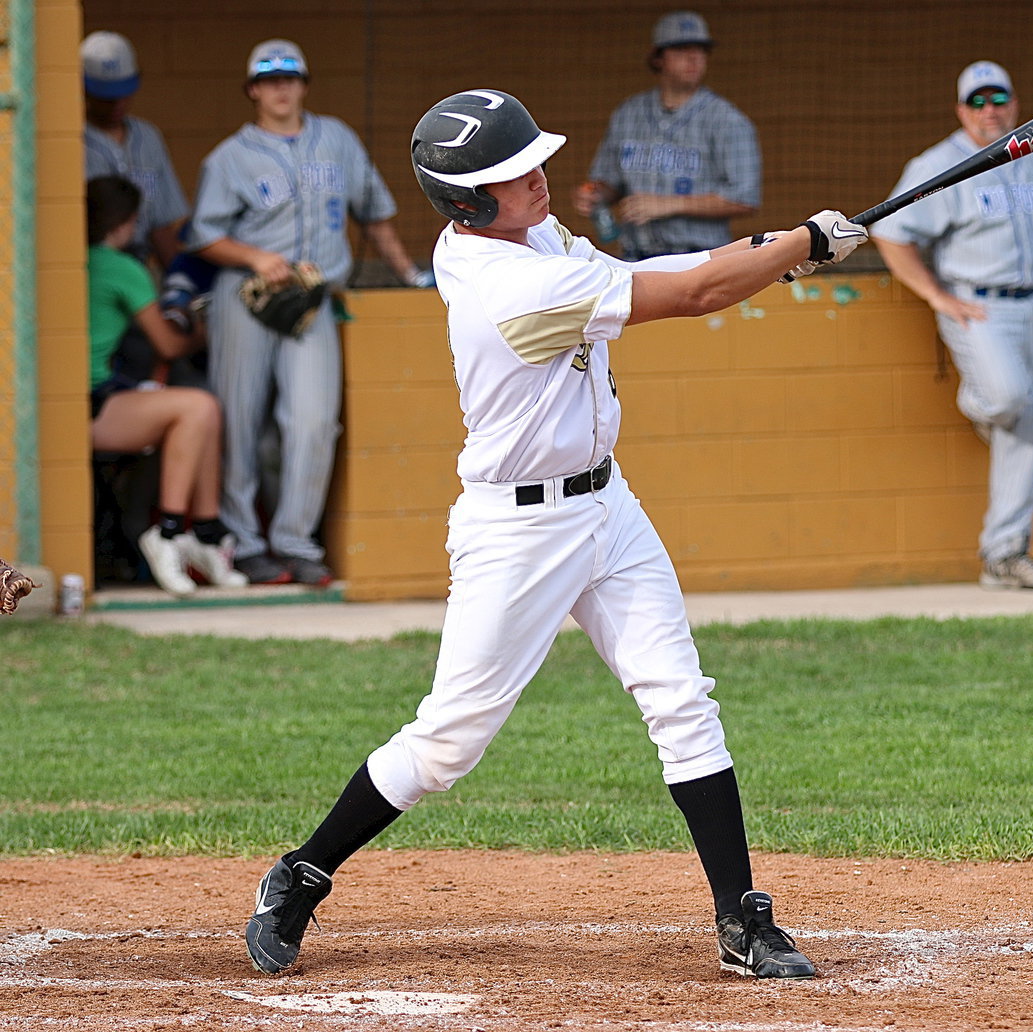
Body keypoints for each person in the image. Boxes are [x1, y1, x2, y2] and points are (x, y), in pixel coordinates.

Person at [242, 88, 867, 981]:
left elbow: (654, 267)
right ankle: (301, 876)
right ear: (466, 203)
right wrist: (797, 245)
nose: (538, 177)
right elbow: (690, 294)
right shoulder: (509, 286)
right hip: (517, 531)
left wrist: (772, 252)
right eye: (513, 172)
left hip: (608, 506)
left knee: (681, 699)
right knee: (449, 740)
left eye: (533, 159)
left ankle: (741, 918)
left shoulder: (534, 238)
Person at [872, 61, 1033, 590]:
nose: (989, 110)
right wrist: (935, 296)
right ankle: (981, 406)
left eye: (998, 99)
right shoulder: (939, 164)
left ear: (1014, 104)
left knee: (1029, 430)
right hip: (977, 305)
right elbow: (890, 231)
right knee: (1008, 398)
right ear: (961, 111)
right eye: (978, 101)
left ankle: (1005, 554)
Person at [188, 39, 430, 587]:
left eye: (290, 78)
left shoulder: (337, 139)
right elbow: (203, 235)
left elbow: (375, 212)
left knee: (315, 420)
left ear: (303, 85)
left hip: (313, 298)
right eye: (269, 80)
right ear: (252, 90)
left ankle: (295, 542)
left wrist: (410, 275)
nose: (280, 88)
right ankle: (243, 543)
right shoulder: (229, 157)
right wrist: (253, 256)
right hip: (246, 297)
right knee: (240, 420)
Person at [87, 175, 248, 597]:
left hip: (95, 396)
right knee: (196, 407)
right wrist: (206, 330)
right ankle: (169, 532)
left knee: (205, 409)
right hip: (87, 407)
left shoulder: (76, 259)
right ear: (125, 222)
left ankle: (207, 534)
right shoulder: (122, 266)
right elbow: (168, 344)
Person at [572, 10, 760, 260]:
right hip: (636, 257)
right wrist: (594, 194)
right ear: (658, 58)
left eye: (701, 49)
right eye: (681, 49)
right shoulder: (628, 114)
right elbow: (609, 183)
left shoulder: (728, 120)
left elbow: (745, 198)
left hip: (699, 258)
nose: (694, 58)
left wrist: (670, 204)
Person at [82, 32, 190, 270]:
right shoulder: (71, 140)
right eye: (106, 96)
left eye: (123, 94)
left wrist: (178, 277)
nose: (117, 103)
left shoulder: (148, 137)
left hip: (140, 262)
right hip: (91, 265)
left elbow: (161, 224)